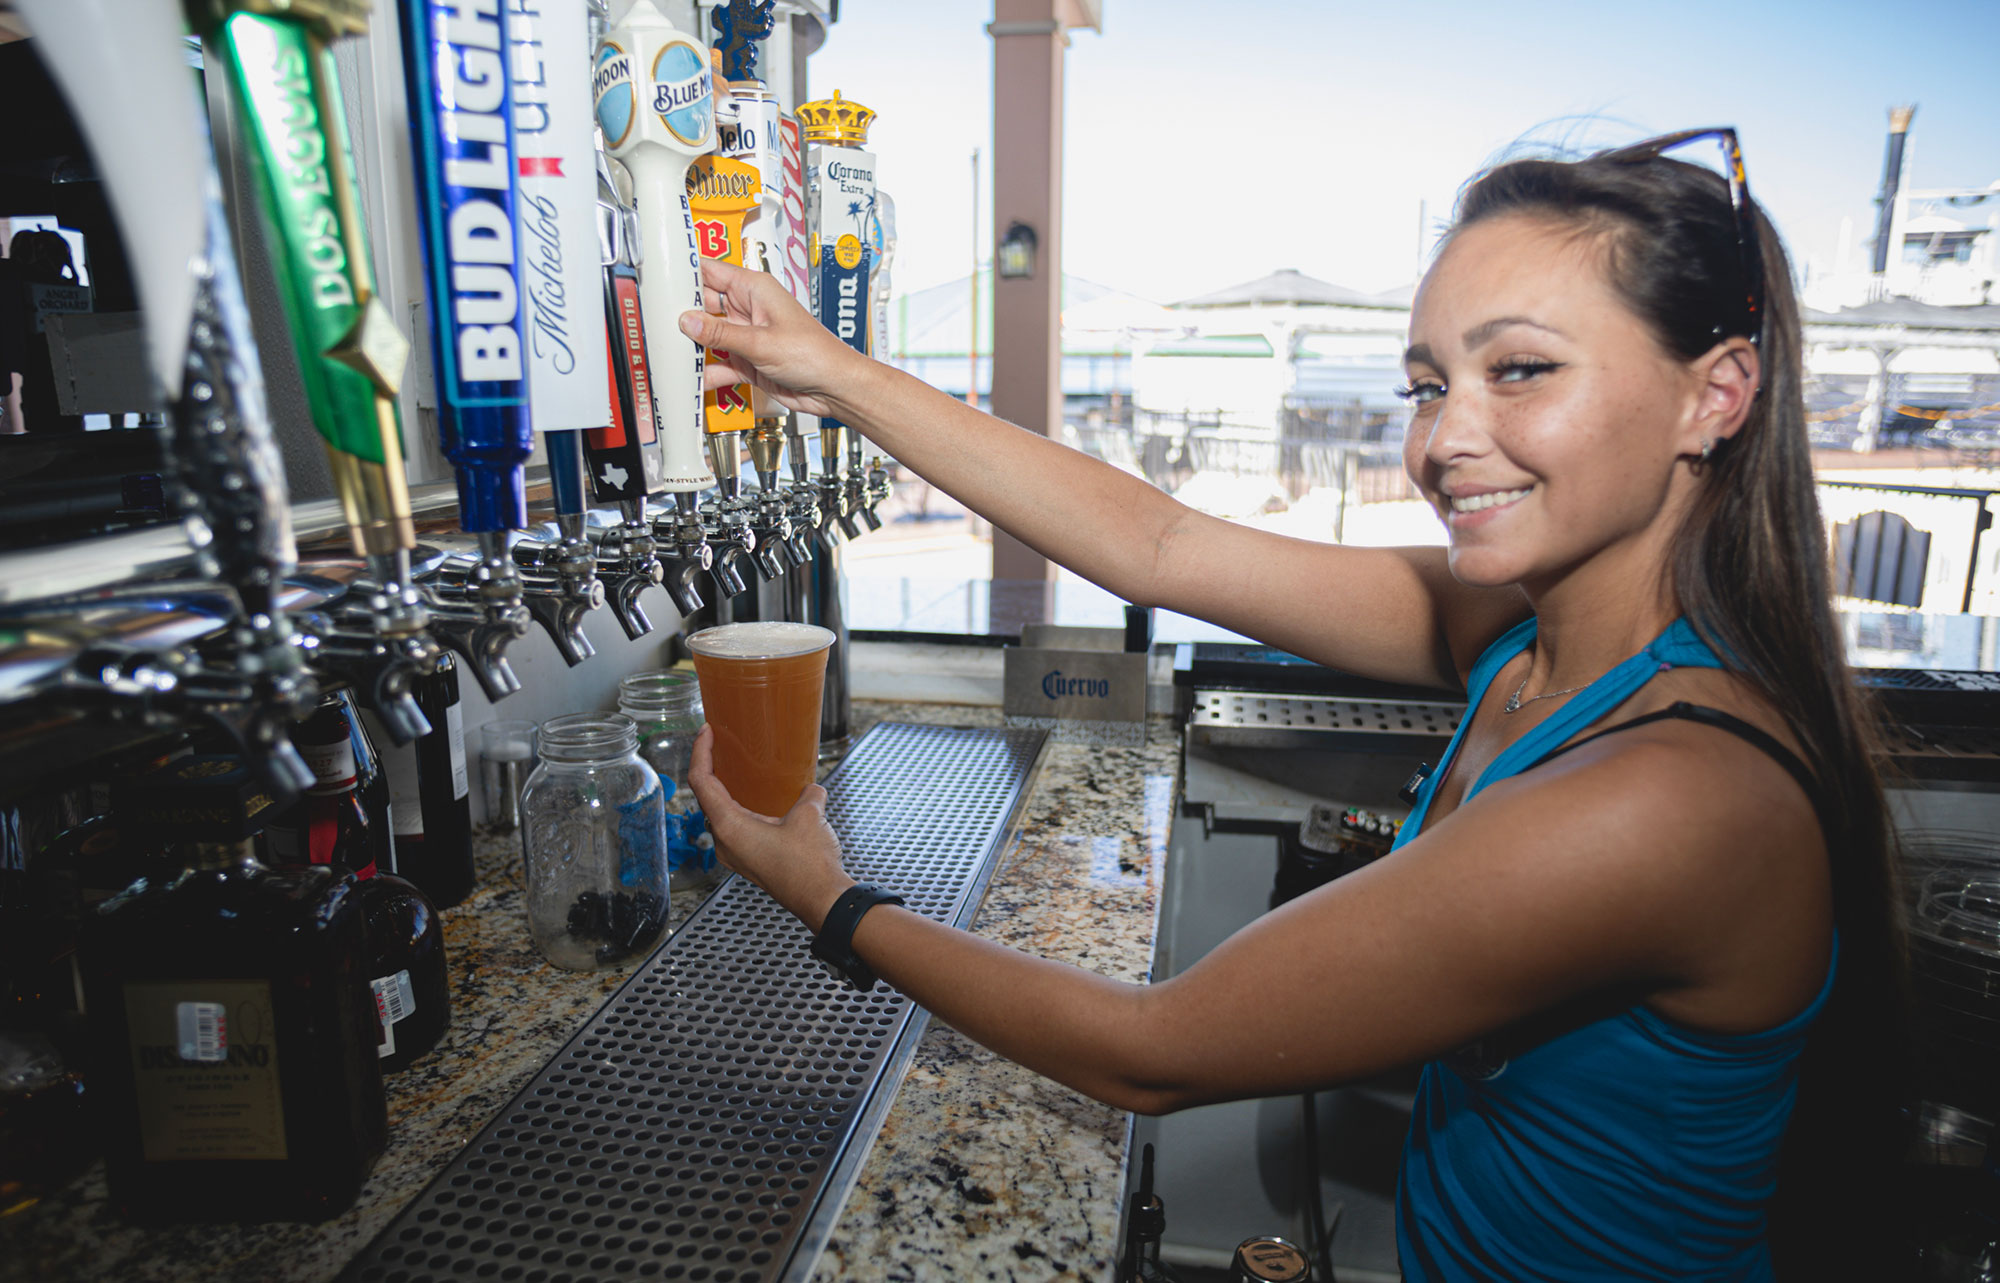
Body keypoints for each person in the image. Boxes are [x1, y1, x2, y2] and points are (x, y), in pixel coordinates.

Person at [682, 131, 1910, 1281]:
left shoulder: (1663, 799)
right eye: (1428, 386)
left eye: (1520, 369)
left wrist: (826, 896)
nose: (1443, 442)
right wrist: (832, 374)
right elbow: (1157, 541)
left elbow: (1149, 1048)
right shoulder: (1530, 638)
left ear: (1716, 393)